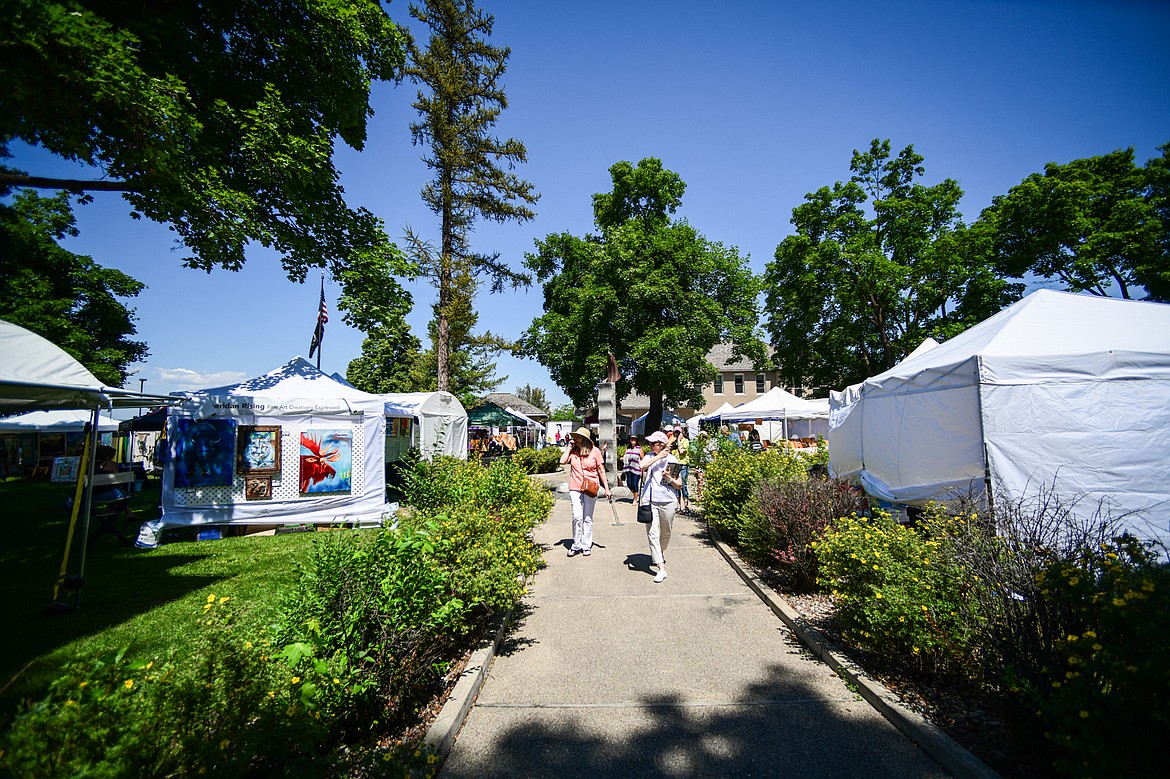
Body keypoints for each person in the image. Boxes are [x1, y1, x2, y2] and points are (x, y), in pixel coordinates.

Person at [559, 426, 610, 557]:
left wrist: (607, 488)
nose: (574, 439)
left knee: (587, 518)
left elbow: (601, 470)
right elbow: (562, 461)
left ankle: (586, 545)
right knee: (577, 516)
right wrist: (569, 448)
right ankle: (576, 544)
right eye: (574, 437)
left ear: (584, 439)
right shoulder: (573, 451)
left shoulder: (595, 451)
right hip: (575, 487)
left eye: (577, 437)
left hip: (591, 487)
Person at [639, 430, 682, 583]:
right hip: (650, 500)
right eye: (649, 443)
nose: (650, 446)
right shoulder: (650, 457)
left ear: (661, 444)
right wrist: (658, 457)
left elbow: (679, 485)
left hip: (668, 500)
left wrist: (669, 478)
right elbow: (642, 466)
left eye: (653, 443)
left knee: (666, 532)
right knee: (652, 533)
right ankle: (661, 568)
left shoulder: (672, 459)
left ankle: (659, 553)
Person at [675, 426, 691, 514]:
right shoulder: (674, 442)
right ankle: (678, 505)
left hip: (683, 464)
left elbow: (681, 452)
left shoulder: (685, 441)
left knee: (683, 484)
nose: (677, 435)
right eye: (676, 433)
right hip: (676, 465)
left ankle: (686, 505)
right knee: (677, 485)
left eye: (678, 433)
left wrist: (679, 442)